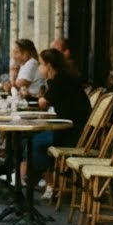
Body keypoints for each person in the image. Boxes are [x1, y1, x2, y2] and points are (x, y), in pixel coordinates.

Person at [28, 47, 92, 199]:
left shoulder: (59, 81)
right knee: (35, 138)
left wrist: (37, 94)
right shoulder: (64, 78)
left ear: (49, 66)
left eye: (41, 64)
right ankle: (43, 180)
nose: (39, 68)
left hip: (73, 132)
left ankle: (47, 182)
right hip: (75, 128)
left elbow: (43, 103)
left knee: (35, 142)